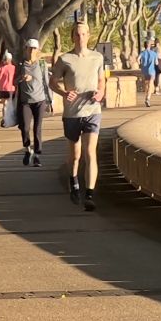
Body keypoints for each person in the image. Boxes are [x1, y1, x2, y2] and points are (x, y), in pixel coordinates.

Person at [52, 19, 108, 210]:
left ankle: (90, 195)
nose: (80, 37)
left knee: (90, 152)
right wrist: (64, 93)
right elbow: (53, 82)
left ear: (88, 36)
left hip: (93, 111)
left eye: (84, 34)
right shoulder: (64, 59)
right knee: (75, 155)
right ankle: (73, 180)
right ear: (72, 37)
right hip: (72, 114)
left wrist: (100, 93)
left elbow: (102, 80)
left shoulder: (97, 58)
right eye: (77, 34)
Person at [16, 38, 50, 165]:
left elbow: (46, 83)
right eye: (29, 48)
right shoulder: (20, 65)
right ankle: (27, 150)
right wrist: (21, 78)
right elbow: (13, 82)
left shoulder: (42, 65)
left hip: (40, 101)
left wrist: (50, 101)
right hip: (26, 102)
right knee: (25, 127)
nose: (32, 51)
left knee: (37, 128)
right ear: (25, 50)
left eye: (34, 48)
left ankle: (37, 155)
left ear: (38, 50)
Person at [136, 38, 161, 106]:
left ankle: (146, 96)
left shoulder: (142, 53)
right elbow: (156, 63)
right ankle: (148, 98)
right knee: (151, 84)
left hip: (144, 70)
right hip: (151, 71)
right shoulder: (153, 53)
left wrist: (140, 64)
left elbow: (137, 59)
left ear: (144, 46)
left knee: (146, 84)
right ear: (149, 46)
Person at [0, 50, 17, 126]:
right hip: (11, 88)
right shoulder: (14, 68)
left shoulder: (1, 67)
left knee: (4, 104)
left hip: (2, 89)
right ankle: (11, 119)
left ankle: (4, 119)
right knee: (11, 104)